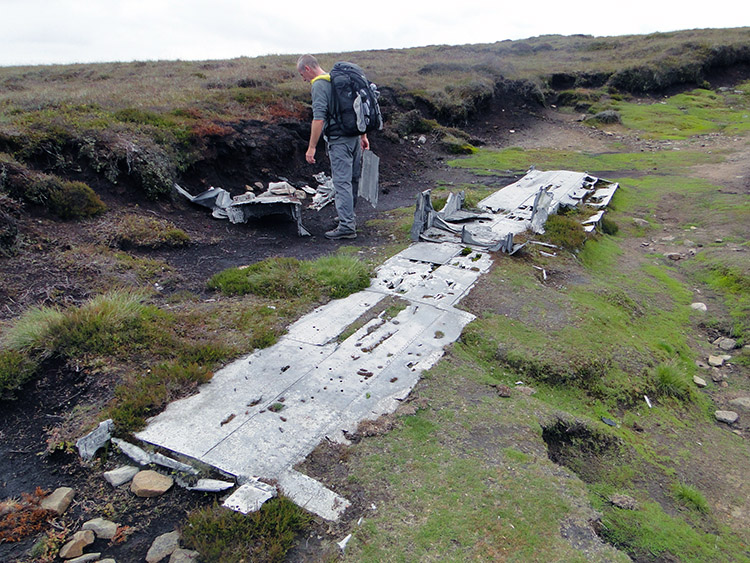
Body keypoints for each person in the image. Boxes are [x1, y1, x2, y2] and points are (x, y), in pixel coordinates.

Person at [297, 54, 369, 240]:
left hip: (339, 140)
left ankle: (346, 227)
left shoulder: (320, 84)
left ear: (307, 69)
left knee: (341, 182)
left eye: (302, 75)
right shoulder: (338, 80)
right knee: (352, 180)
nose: (303, 79)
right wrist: (363, 135)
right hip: (354, 136)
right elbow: (358, 108)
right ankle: (348, 218)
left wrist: (312, 147)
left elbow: (318, 118)